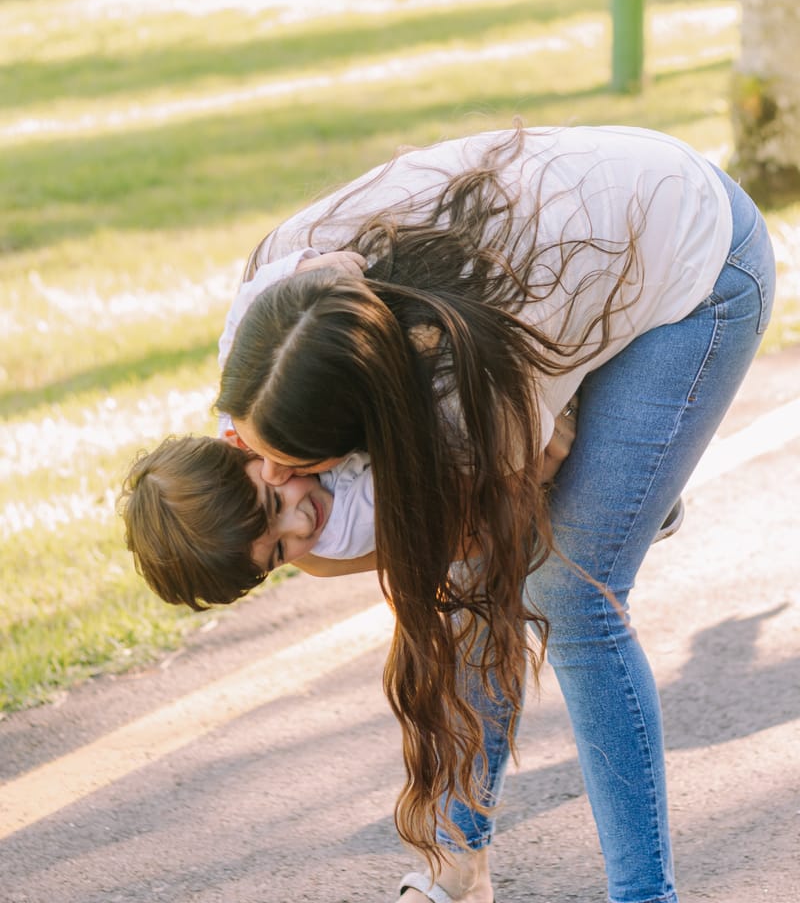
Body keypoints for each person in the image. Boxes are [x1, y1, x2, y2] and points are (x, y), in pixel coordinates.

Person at [148, 123, 777, 903]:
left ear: (364, 424)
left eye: (291, 475)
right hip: (593, 249)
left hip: (700, 260)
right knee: (476, 570)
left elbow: (520, 489)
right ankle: (458, 865)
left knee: (570, 591)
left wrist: (575, 500)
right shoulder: (273, 330)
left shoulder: (463, 396)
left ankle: (645, 895)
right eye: (258, 450)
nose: (290, 498)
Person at [119, 435, 376, 606]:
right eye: (279, 550)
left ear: (241, 445)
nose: (303, 525)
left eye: (276, 503)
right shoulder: (346, 530)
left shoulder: (256, 418)